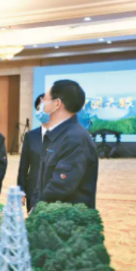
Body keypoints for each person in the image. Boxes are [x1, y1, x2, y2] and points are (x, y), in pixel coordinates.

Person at [32, 80, 98, 209]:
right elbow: (43, 179)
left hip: (66, 216)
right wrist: (35, 203)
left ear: (56, 103)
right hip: (48, 212)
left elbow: (61, 185)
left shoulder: (75, 138)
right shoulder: (55, 134)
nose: (42, 103)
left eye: (45, 99)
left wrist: (38, 207)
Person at [17, 93, 45, 212]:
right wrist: (21, 190)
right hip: (34, 191)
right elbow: (23, 166)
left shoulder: (66, 136)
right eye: (39, 108)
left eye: (46, 107)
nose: (42, 111)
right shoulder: (30, 136)